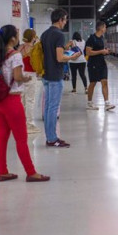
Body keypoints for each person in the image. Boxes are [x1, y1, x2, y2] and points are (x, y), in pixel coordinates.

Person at [0, 25, 50, 183]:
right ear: (12, 38)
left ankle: (3, 171)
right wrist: (26, 78)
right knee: (21, 139)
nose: (18, 36)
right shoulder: (14, 55)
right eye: (16, 34)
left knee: (2, 137)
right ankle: (31, 172)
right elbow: (17, 76)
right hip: (11, 102)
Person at [40, 8, 81, 148]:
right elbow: (59, 57)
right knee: (53, 108)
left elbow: (51, 53)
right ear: (60, 19)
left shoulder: (45, 34)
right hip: (55, 76)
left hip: (46, 75)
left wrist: (65, 47)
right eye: (65, 19)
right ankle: (52, 139)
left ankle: (49, 137)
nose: (66, 22)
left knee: (47, 108)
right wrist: (72, 56)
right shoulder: (59, 34)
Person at [86, 21, 115, 111]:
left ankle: (107, 103)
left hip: (102, 63)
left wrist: (105, 51)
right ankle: (89, 103)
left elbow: (100, 50)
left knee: (104, 82)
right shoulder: (91, 39)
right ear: (101, 28)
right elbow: (88, 52)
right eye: (105, 27)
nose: (105, 29)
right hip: (93, 64)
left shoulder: (102, 38)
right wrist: (101, 51)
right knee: (93, 83)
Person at [18, 29, 41, 134]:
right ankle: (29, 124)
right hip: (31, 75)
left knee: (21, 100)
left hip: (21, 74)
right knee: (30, 100)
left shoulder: (20, 47)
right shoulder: (33, 49)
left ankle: (21, 123)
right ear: (33, 37)